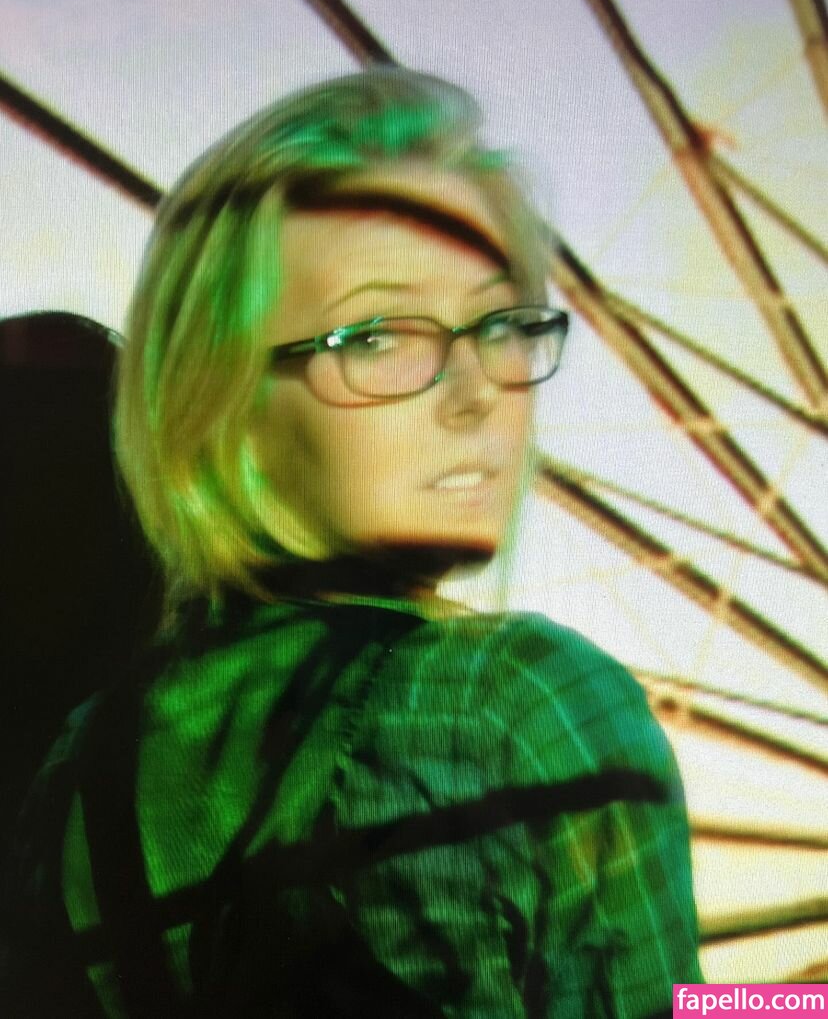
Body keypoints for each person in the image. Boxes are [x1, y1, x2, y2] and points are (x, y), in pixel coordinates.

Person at [1, 67, 702, 1018]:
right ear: (227, 401)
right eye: (379, 338)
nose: (476, 393)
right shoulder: (515, 700)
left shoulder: (79, 767)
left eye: (503, 323)